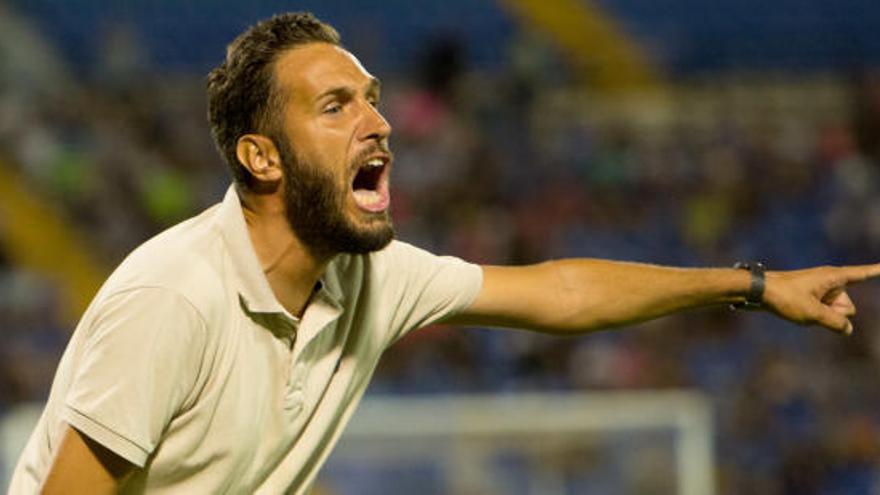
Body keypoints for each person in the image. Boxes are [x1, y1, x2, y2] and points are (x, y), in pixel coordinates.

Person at [9, 12, 879, 494]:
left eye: (374, 100)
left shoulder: (371, 276)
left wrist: (755, 284)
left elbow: (564, 293)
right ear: (261, 156)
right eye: (336, 105)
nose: (378, 121)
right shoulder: (174, 297)